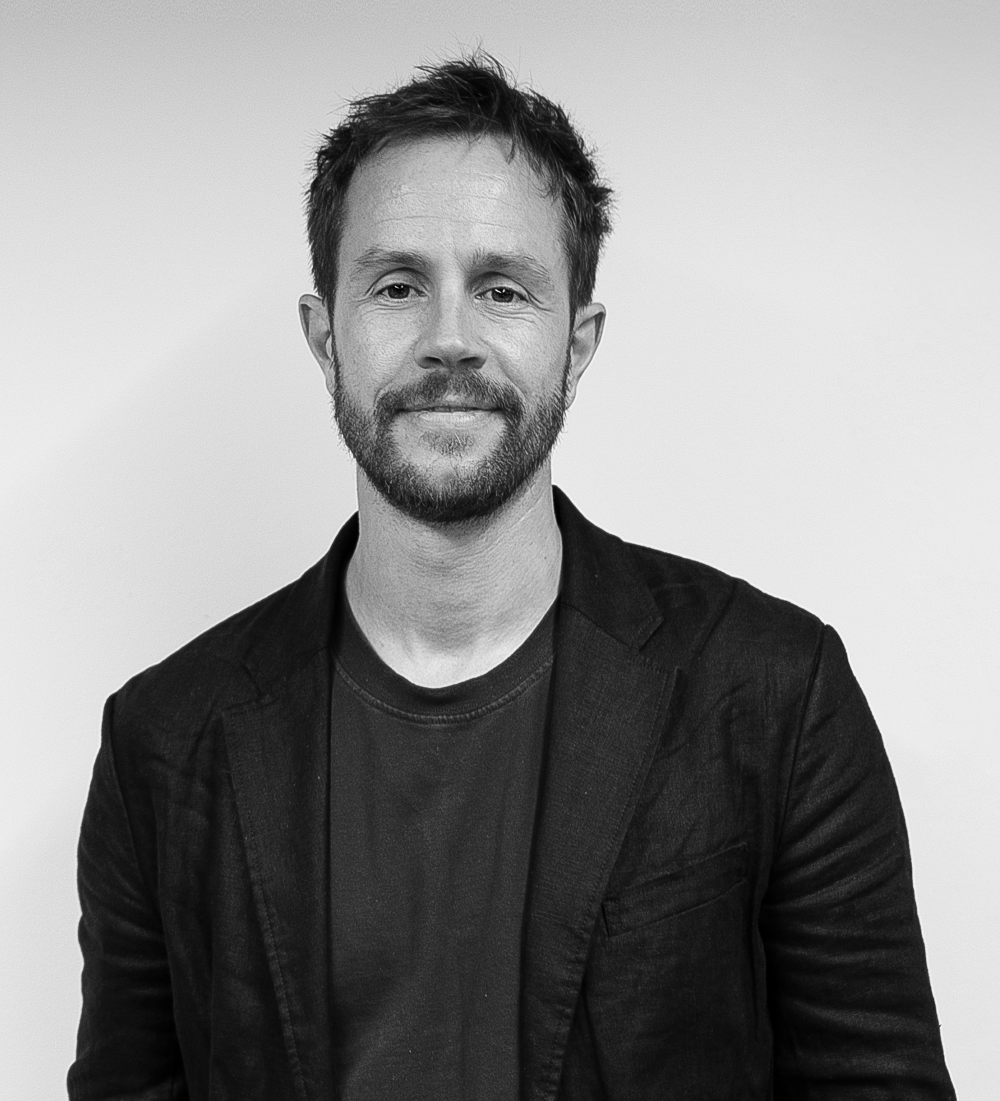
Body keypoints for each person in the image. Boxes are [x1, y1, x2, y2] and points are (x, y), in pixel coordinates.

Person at [69, 53, 955, 1100]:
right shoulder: (163, 741)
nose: (450, 339)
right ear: (324, 339)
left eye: (502, 288)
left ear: (576, 345)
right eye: (398, 286)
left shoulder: (774, 693)